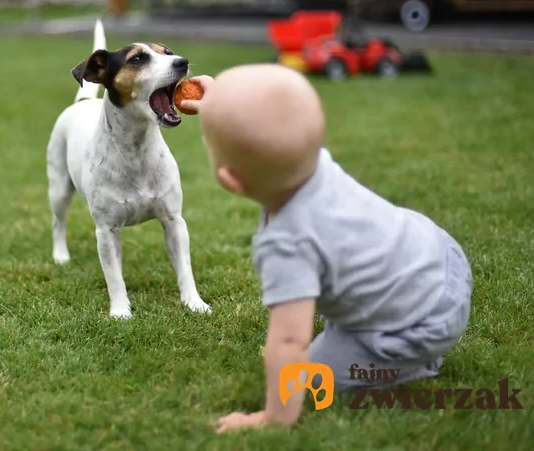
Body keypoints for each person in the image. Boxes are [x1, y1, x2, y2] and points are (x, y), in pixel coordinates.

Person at [179, 64, 472, 433]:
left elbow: (290, 341)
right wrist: (220, 106)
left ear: (230, 180)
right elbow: (274, 126)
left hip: (418, 321)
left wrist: (273, 418)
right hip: (438, 255)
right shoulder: (313, 164)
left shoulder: (289, 243)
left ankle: (410, 363)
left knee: (314, 372)